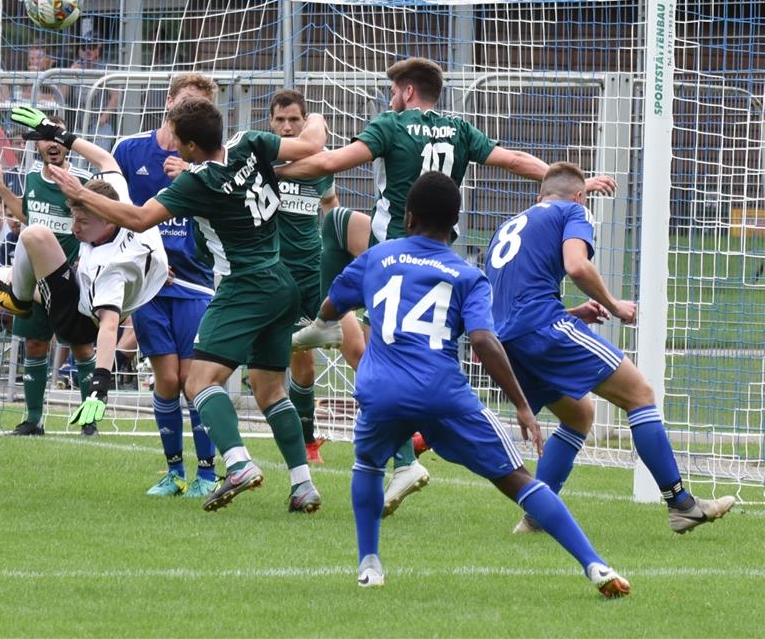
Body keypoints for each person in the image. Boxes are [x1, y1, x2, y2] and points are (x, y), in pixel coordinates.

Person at [282, 56, 618, 515]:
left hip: (392, 253)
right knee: (340, 227)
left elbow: (333, 161)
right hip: (440, 258)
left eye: (391, 90)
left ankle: (399, 450)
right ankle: (332, 325)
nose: (388, 98)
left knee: (379, 346)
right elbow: (516, 160)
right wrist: (568, 183)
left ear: (406, 92)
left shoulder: (391, 125)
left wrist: (274, 173)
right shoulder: (459, 129)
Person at [315, 170, 629, 596]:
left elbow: (331, 308)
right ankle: (594, 565)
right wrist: (520, 405)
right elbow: (484, 338)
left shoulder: (376, 257)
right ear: (455, 225)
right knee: (517, 479)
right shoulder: (466, 274)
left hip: (381, 390)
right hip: (442, 394)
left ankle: (369, 564)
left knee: (368, 465)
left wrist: (332, 317)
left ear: (408, 219)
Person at [49, 97, 328, 513]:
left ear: (193, 146)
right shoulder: (249, 142)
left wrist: (81, 194)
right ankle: (303, 484)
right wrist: (317, 118)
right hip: (281, 279)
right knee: (270, 387)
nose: (173, 147)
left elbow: (139, 218)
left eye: (178, 140)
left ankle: (236, 464)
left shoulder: (197, 182)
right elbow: (311, 147)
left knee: (197, 382)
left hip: (242, 285)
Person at [485, 161, 737, 535]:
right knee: (640, 393)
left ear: (540, 196)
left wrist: (573, 311)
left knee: (578, 415)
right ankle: (682, 505)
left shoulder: (508, 227)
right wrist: (615, 305)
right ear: (580, 196)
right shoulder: (573, 210)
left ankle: (537, 516)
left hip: (507, 344)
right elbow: (577, 265)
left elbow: (511, 305)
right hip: (543, 331)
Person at [0, 113, 168, 437]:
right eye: (73, 218)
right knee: (35, 236)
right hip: (72, 276)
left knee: (35, 239)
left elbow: (109, 326)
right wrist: (62, 134)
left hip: (82, 313)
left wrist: (101, 385)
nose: (74, 227)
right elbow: (105, 158)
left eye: (82, 222)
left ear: (107, 223)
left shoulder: (111, 266)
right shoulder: (114, 195)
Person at [112, 73, 219, 497]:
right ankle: (174, 471)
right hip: (151, 283)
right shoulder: (130, 150)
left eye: (200, 109)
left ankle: (207, 472)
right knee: (167, 380)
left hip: (196, 282)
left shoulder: (209, 161)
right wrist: (145, 262)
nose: (190, 114)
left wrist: (191, 174)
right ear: (169, 101)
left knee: (195, 381)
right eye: (185, 104)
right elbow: (117, 208)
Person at [0, 114, 92, 431]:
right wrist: (2, 191)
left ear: (67, 142)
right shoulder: (32, 177)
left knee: (81, 346)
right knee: (34, 344)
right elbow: (27, 214)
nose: (52, 143)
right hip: (34, 279)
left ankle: (90, 419)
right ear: (36, 144)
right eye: (45, 137)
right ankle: (33, 419)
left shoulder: (83, 180)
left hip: (69, 278)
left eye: (58, 136)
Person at [265, 89, 347, 464]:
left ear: (304, 121)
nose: (286, 126)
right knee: (300, 362)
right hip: (275, 275)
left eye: (293, 120)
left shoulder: (317, 164)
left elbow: (330, 205)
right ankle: (307, 440)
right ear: (270, 122)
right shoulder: (260, 160)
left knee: (355, 344)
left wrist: (338, 247)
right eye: (280, 120)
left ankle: (400, 432)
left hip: (315, 271)